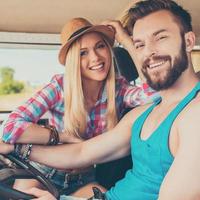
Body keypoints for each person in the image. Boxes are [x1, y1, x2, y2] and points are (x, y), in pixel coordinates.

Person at [0, 17, 157, 195]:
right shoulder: (59, 87)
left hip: (83, 178)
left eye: (100, 46)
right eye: (83, 53)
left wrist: (127, 42)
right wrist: (63, 137)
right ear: (73, 60)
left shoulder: (119, 89)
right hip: (40, 174)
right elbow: (9, 128)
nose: (96, 58)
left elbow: (155, 95)